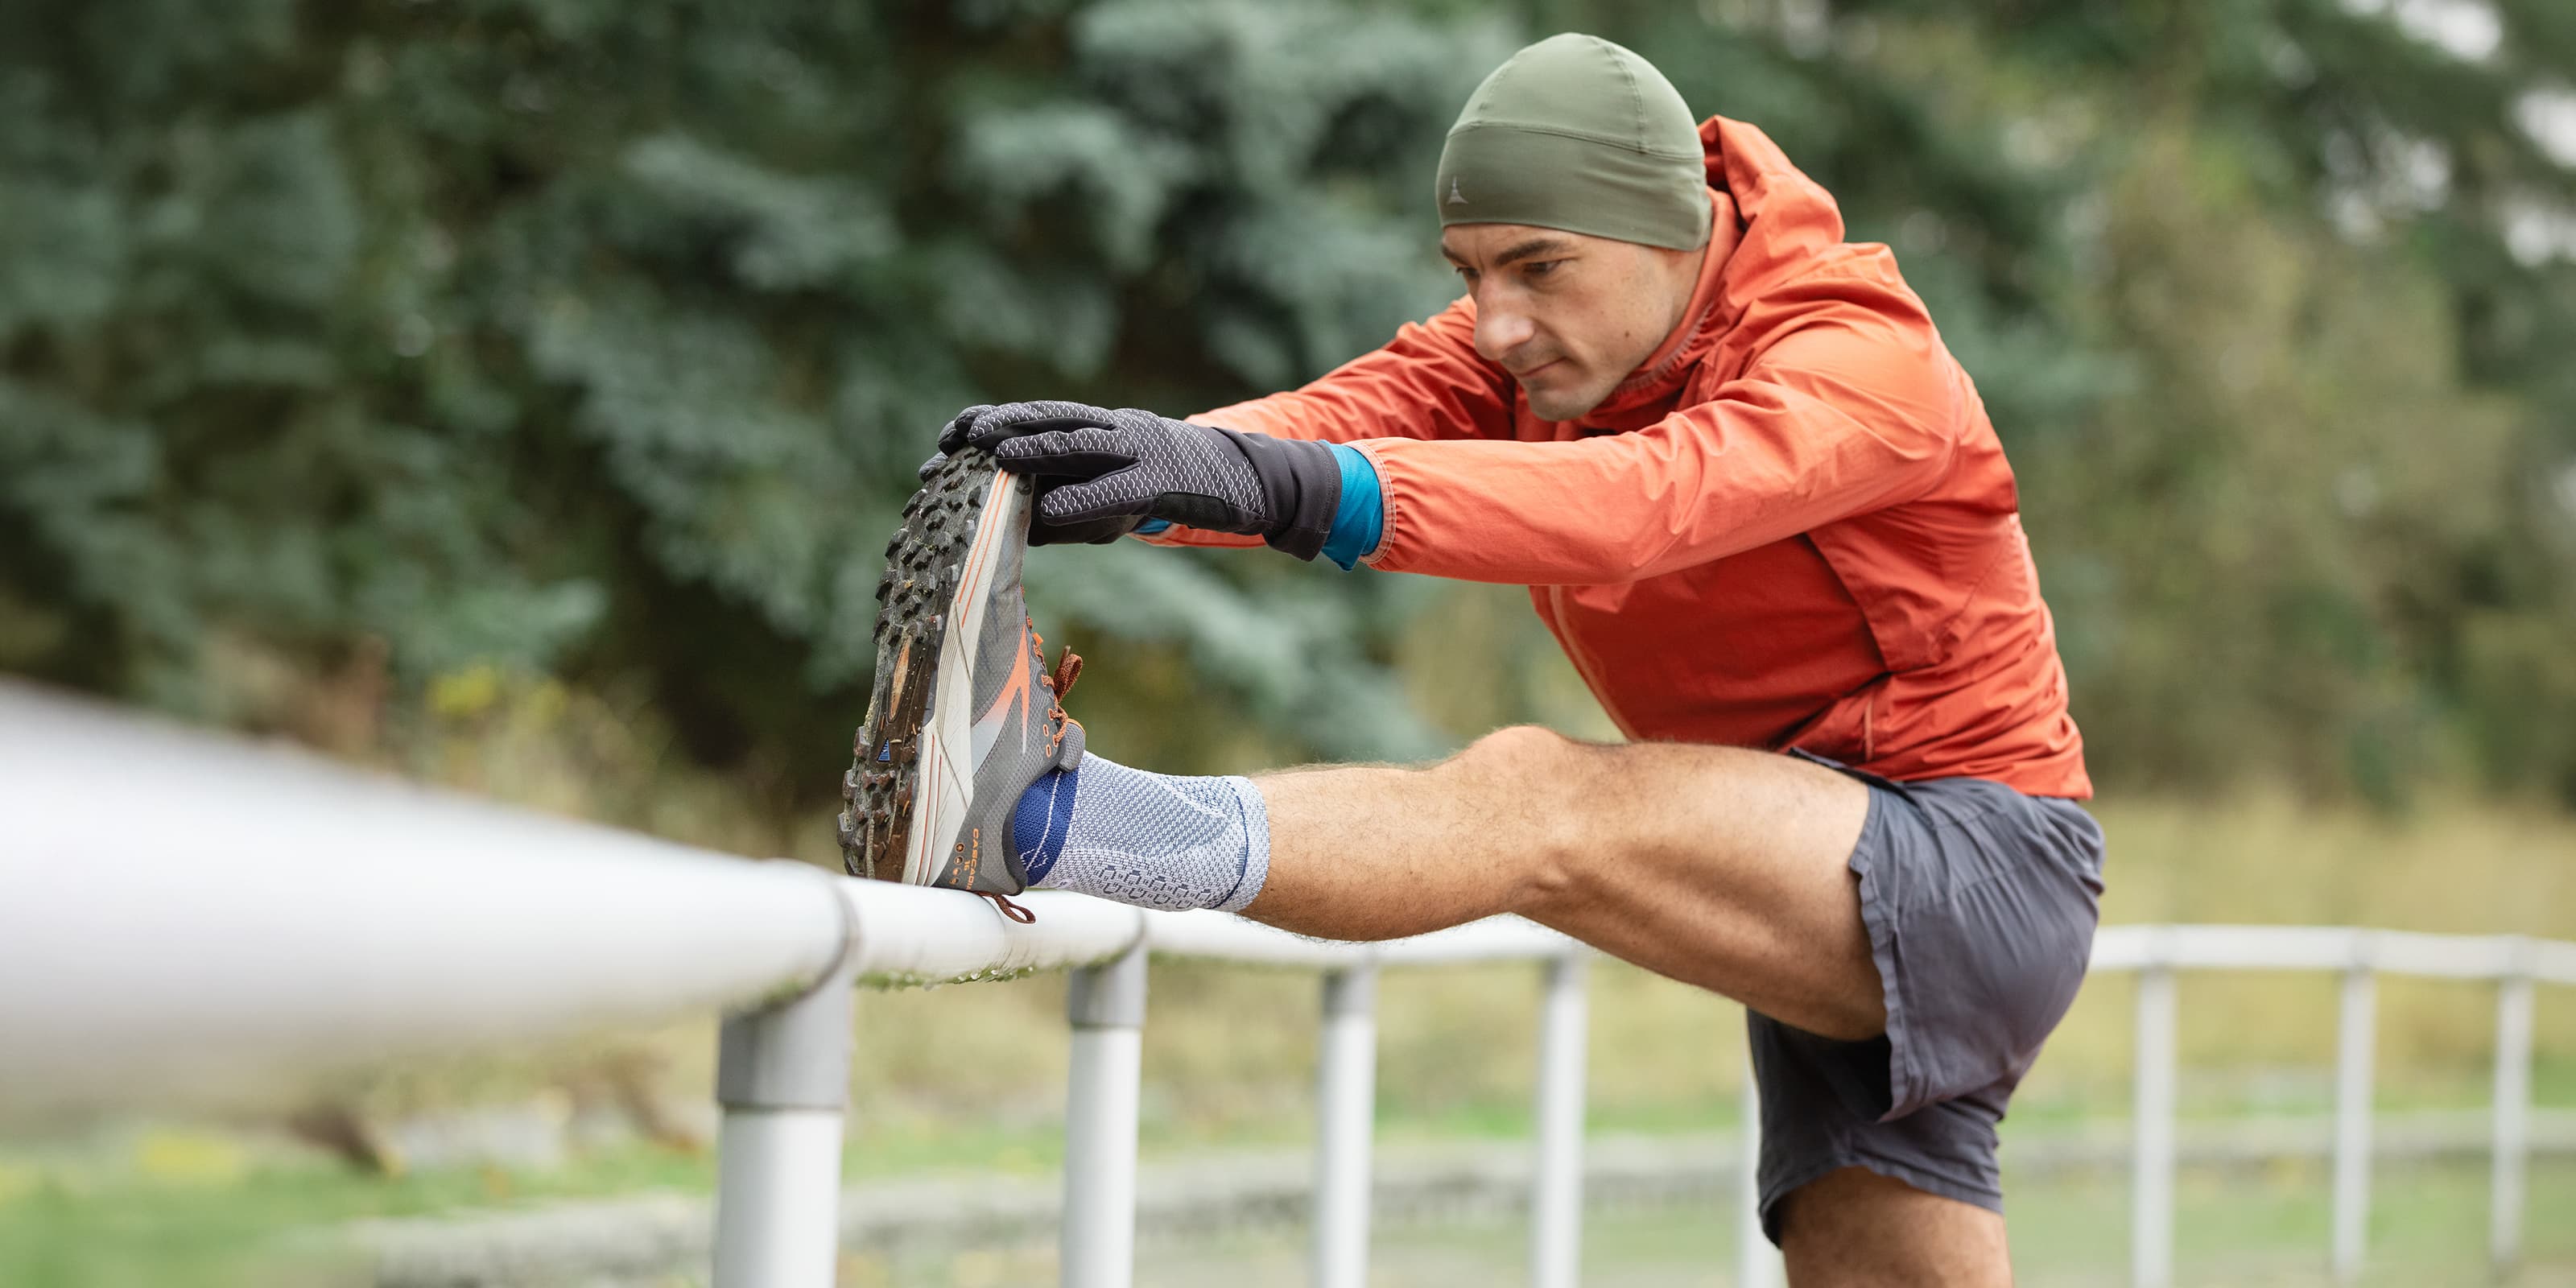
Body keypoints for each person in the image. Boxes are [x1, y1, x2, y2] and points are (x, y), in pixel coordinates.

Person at [843, 32, 2101, 1285]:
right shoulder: (1547, 354)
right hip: (1784, 859)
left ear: (1674, 228)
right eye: (1471, 272)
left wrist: (1273, 485)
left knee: (1540, 800)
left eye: (1540, 267)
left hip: (1978, 868)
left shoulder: (1861, 360)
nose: (1497, 323)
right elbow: (1322, 430)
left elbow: (1644, 502)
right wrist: (1139, 472)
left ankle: (1046, 822)